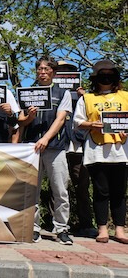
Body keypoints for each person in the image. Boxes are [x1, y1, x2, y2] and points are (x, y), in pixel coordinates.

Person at [18, 57, 73, 244]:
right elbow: (21, 121)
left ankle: (61, 229)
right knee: (31, 191)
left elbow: (61, 119)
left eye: (46, 69)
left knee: (60, 190)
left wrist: (46, 138)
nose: (42, 72)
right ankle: (33, 228)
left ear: (54, 73)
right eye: (39, 69)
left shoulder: (63, 93)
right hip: (31, 148)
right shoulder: (27, 93)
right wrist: (29, 116)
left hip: (55, 148)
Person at [73, 59, 128, 244]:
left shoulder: (126, 96)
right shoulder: (87, 98)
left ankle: (120, 230)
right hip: (97, 150)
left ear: (116, 77)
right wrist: (91, 124)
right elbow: (77, 122)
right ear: (96, 78)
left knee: (119, 191)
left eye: (110, 74)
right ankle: (102, 229)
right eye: (102, 75)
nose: (106, 78)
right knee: (101, 191)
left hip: (122, 150)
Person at [56, 61, 96, 238]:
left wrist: (84, 97)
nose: (65, 74)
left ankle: (86, 224)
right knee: (57, 187)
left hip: (79, 146)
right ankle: (55, 224)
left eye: (68, 72)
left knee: (81, 186)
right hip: (58, 145)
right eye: (61, 71)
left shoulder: (85, 97)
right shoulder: (52, 94)